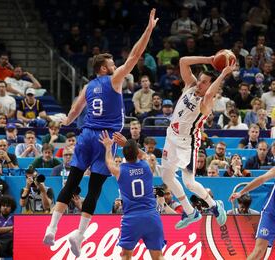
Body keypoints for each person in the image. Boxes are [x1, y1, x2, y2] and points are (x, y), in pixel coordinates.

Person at [43, 10, 158, 258]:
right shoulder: (114, 79)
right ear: (105, 69)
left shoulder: (87, 86)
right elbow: (136, 55)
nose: (116, 66)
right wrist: (148, 29)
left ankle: (52, 228)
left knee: (72, 182)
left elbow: (72, 113)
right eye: (112, 64)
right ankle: (79, 234)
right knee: (94, 188)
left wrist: (63, 121)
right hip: (106, 139)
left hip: (85, 135)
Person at [161, 55, 234, 230]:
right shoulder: (190, 87)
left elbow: (210, 93)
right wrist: (210, 59)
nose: (200, 84)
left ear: (211, 85)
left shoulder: (207, 102)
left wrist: (223, 74)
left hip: (187, 143)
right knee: (166, 176)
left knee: (189, 183)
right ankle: (190, 211)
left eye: (204, 82)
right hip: (171, 135)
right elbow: (183, 61)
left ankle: (214, 205)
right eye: (200, 80)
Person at [99, 132, 165, 260]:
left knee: (126, 256)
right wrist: (126, 143)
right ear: (137, 153)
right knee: (158, 257)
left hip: (131, 219)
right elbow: (145, 155)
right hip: (151, 216)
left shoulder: (120, 170)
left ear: (124, 155)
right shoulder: (147, 166)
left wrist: (108, 146)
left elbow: (109, 162)